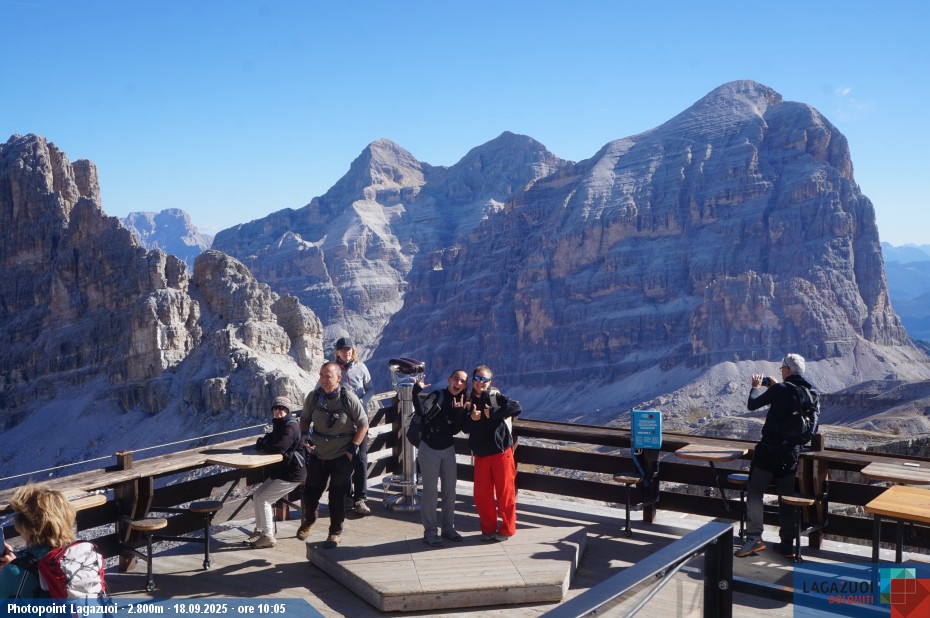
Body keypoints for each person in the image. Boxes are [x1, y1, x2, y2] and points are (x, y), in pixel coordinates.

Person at [735, 353, 817, 558]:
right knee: (786, 498)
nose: (781, 372)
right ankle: (787, 544)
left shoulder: (781, 389)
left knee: (755, 490)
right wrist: (776, 388)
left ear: (787, 370)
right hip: (791, 454)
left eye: (782, 369)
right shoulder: (811, 392)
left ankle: (754, 538)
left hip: (769, 452)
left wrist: (755, 387)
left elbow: (752, 404)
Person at [296, 361, 369, 548]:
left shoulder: (348, 398)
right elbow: (304, 419)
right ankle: (310, 520)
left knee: (337, 496)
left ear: (338, 378)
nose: (323, 379)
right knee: (310, 493)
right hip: (318, 453)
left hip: (342, 456)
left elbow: (363, 424)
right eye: (321, 375)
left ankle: (335, 533)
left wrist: (353, 448)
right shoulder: (313, 397)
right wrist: (304, 434)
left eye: (328, 376)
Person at [461, 364, 522, 542]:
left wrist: (493, 412)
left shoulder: (495, 397)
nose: (480, 382)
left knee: (505, 494)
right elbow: (465, 428)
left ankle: (507, 530)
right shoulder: (467, 401)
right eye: (477, 378)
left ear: (489, 382)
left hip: (501, 454)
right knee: (482, 496)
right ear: (472, 380)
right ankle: (487, 529)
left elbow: (516, 407)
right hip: (481, 456)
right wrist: (472, 419)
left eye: (484, 379)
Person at [412, 369, 468, 546]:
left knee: (450, 490)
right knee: (430, 491)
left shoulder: (461, 401)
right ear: (449, 379)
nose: (458, 383)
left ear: (464, 386)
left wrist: (459, 412)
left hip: (448, 448)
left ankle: (448, 528)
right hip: (429, 447)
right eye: (456, 379)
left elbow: (455, 430)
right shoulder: (437, 395)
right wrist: (415, 392)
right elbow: (421, 411)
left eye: (462, 381)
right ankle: (430, 531)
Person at [246, 396, 307, 549]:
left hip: (293, 474)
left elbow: (279, 448)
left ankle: (268, 536)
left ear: (287, 410)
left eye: (282, 408)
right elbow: (272, 439)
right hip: (283, 471)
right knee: (257, 495)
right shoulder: (280, 424)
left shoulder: (290, 426)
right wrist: (264, 442)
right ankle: (260, 531)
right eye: (276, 408)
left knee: (264, 499)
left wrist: (263, 445)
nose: (278, 411)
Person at [0, 484, 76, 597]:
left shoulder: (14, 572)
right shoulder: (81, 552)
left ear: (26, 526)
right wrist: (18, 562)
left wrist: (13, 569)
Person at [333, 336, 373, 516]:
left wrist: (361, 402)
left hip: (361, 421)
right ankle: (347, 498)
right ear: (337, 352)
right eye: (343, 350)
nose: (347, 352)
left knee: (361, 459)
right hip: (342, 422)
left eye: (349, 349)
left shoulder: (361, 367)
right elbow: (321, 388)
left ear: (353, 351)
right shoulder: (332, 369)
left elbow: (370, 389)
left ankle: (360, 499)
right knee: (345, 459)